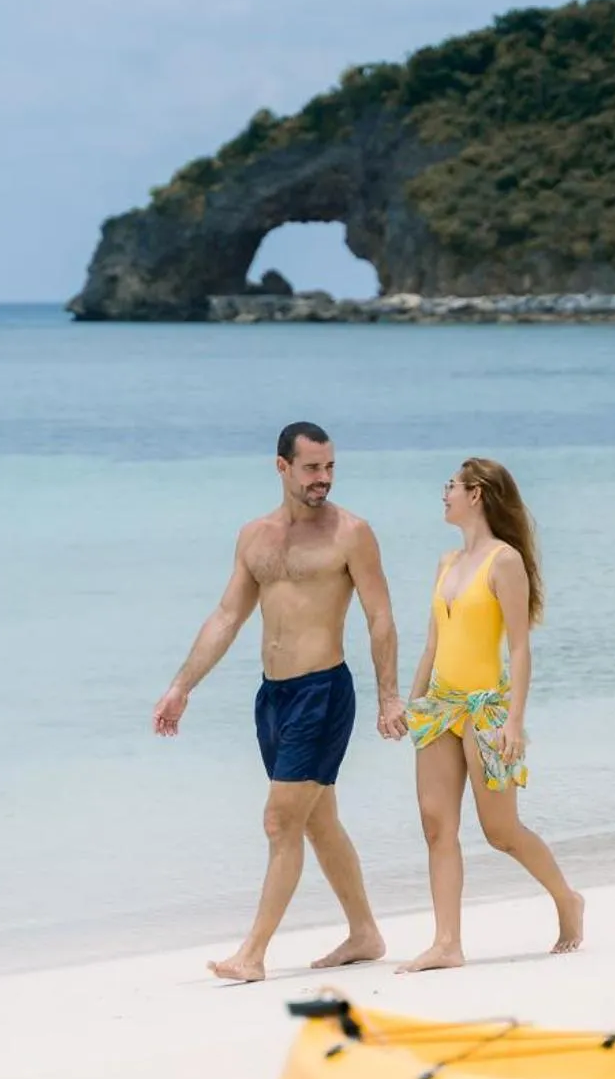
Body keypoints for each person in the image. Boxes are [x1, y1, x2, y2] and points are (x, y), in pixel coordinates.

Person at [152, 421, 407, 982]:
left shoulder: (351, 533)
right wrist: (181, 686)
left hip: (323, 692)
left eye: (330, 467)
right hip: (273, 697)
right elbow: (227, 616)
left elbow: (380, 616)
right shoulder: (255, 537)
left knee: (279, 821)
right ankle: (365, 933)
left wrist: (389, 697)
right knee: (319, 823)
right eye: (312, 468)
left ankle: (252, 954)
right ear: (282, 467)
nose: (324, 478)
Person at [397, 457, 584, 973]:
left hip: (486, 711)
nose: (444, 494)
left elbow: (520, 649)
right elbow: (433, 643)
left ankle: (567, 899)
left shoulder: (504, 562)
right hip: (440, 709)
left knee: (500, 831)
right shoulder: (446, 562)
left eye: (451, 486)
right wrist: (411, 704)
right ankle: (446, 943)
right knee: (436, 825)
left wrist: (514, 722)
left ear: (476, 493)